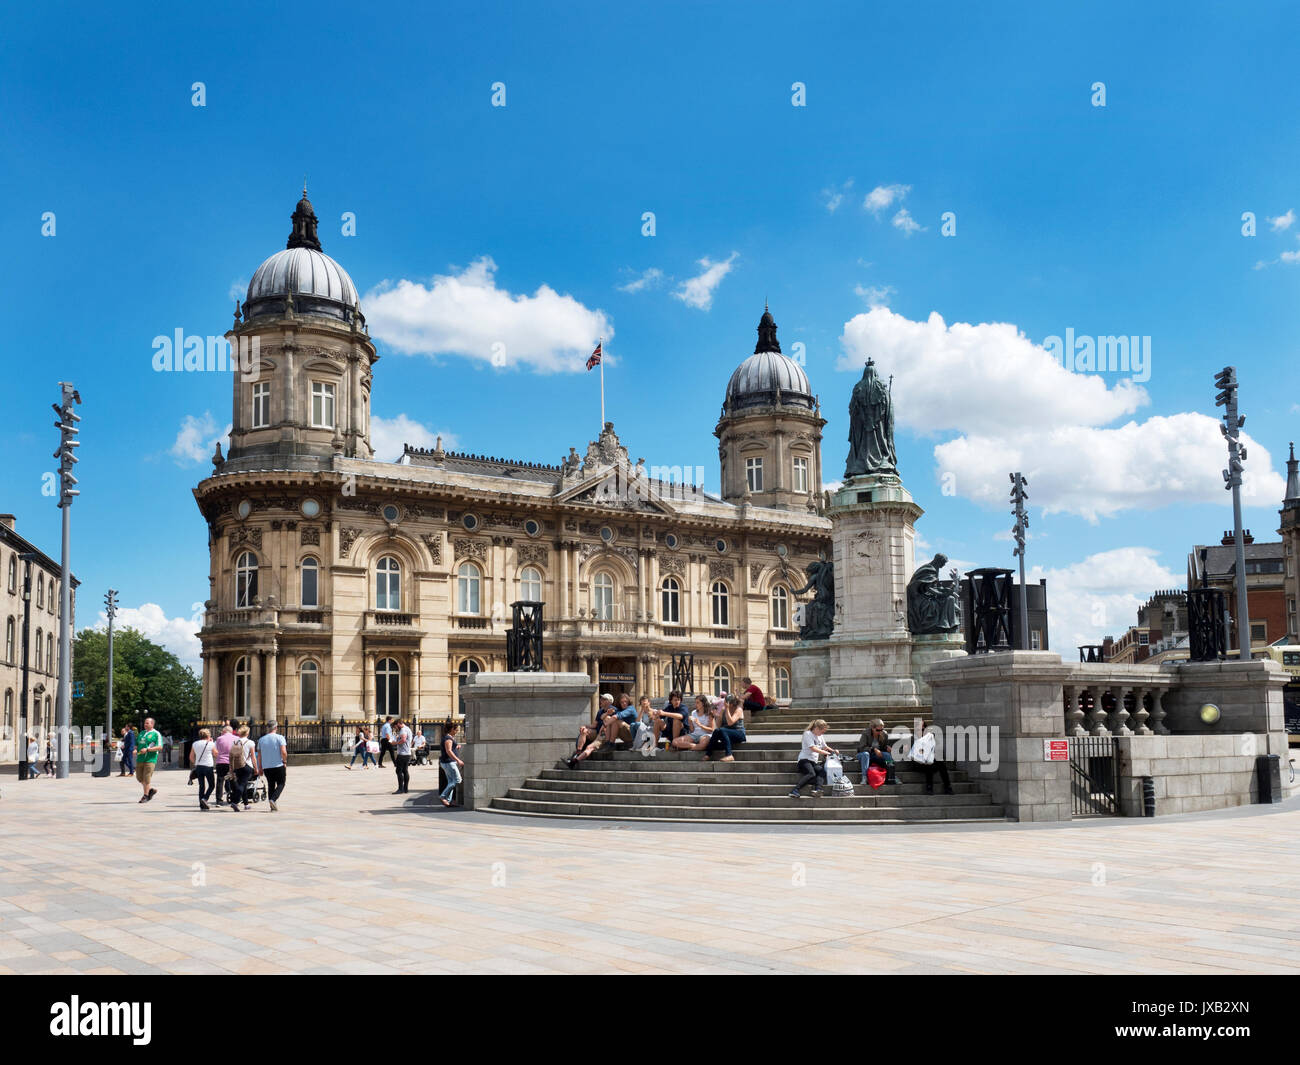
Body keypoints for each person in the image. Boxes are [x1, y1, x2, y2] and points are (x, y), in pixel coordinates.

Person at [790, 719, 836, 798]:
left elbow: (825, 747)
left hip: (813, 762)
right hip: (804, 760)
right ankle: (794, 790)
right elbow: (813, 748)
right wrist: (827, 753)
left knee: (822, 772)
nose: (823, 733)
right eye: (822, 731)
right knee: (812, 774)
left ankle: (817, 790)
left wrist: (834, 751)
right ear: (817, 728)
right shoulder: (807, 734)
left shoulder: (820, 736)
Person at [568, 694, 616, 768]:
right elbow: (594, 725)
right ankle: (578, 751)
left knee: (589, 747)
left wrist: (603, 728)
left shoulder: (613, 710)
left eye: (603, 699)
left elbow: (609, 723)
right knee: (584, 731)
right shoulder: (600, 711)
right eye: (601, 699)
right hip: (597, 732)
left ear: (608, 701)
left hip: (604, 736)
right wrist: (585, 726)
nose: (601, 700)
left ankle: (575, 760)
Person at [910, 721, 953, 795]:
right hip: (918, 764)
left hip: (930, 762)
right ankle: (929, 788)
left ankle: (948, 787)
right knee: (929, 764)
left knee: (940, 763)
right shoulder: (913, 738)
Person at [256, 720, 289, 811]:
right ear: (276, 727)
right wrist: (285, 761)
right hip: (278, 764)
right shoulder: (280, 737)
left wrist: (260, 767)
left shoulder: (261, 739)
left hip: (267, 766)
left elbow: (259, 755)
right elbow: (283, 752)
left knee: (271, 785)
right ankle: (273, 799)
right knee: (281, 783)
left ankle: (272, 807)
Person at [703, 694, 746, 761]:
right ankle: (708, 754)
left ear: (731, 703)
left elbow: (730, 722)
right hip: (726, 733)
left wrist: (727, 709)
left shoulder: (738, 710)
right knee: (717, 731)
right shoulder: (724, 710)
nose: (724, 704)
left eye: (725, 702)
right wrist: (718, 715)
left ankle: (729, 755)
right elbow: (718, 726)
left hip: (739, 733)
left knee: (722, 730)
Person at [856, 718, 899, 786]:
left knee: (887, 755)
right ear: (872, 728)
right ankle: (864, 777)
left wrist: (887, 748)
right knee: (866, 754)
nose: (880, 732)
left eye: (882, 729)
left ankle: (892, 775)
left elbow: (883, 747)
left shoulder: (884, 734)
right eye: (878, 730)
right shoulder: (865, 733)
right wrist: (873, 749)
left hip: (877, 755)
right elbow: (862, 748)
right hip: (864, 754)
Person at [136, 716, 164, 803]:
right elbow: (137, 744)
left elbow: (160, 747)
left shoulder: (156, 734)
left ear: (152, 724)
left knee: (146, 778)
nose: (145, 724)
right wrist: (134, 749)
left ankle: (146, 796)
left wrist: (148, 749)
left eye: (147, 723)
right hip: (140, 758)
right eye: (145, 723)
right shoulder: (141, 733)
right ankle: (150, 790)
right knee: (139, 778)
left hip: (150, 759)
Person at [227, 725, 255, 811]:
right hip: (247, 766)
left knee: (242, 784)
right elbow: (253, 757)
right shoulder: (250, 742)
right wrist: (256, 768)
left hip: (237, 765)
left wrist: (231, 768)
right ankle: (235, 802)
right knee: (242, 784)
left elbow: (231, 755)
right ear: (247, 733)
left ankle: (246, 804)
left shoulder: (235, 742)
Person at [438, 721, 465, 807]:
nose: (456, 731)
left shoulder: (448, 737)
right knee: (458, 780)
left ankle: (449, 801)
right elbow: (448, 751)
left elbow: (451, 748)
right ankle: (443, 797)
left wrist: (456, 746)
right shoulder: (448, 739)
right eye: (456, 730)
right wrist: (458, 760)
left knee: (451, 781)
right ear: (451, 729)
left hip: (447, 762)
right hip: (449, 763)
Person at [189, 728, 216, 810]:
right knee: (211, 785)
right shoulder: (211, 744)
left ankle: (201, 804)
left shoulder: (195, 744)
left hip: (199, 766)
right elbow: (215, 754)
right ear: (208, 735)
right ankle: (205, 798)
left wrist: (196, 763)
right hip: (208, 766)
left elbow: (191, 757)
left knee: (201, 786)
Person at [213, 724, 236, 804]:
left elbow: (216, 749)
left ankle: (219, 800)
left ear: (224, 731)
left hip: (221, 762)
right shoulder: (236, 738)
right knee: (232, 780)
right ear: (231, 731)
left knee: (220, 781)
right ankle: (233, 797)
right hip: (231, 763)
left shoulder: (219, 739)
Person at [391, 718, 413, 794]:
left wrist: (395, 743)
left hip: (403, 753)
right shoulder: (408, 729)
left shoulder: (403, 730)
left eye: (396, 727)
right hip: (407, 753)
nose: (396, 729)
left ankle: (400, 789)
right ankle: (405, 789)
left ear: (398, 724)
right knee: (405, 770)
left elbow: (403, 739)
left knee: (399, 771)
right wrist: (398, 738)